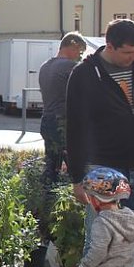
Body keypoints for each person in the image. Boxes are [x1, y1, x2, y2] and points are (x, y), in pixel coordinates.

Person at [67, 19, 134, 267]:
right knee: (101, 239)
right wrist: (77, 178)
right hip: (104, 169)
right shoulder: (85, 75)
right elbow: (75, 128)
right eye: (128, 52)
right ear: (109, 46)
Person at [38, 32, 87, 183]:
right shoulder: (71, 67)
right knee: (78, 168)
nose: (79, 57)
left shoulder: (45, 66)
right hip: (64, 123)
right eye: (79, 52)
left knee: (52, 166)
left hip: (47, 120)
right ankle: (80, 201)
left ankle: (47, 199)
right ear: (72, 46)